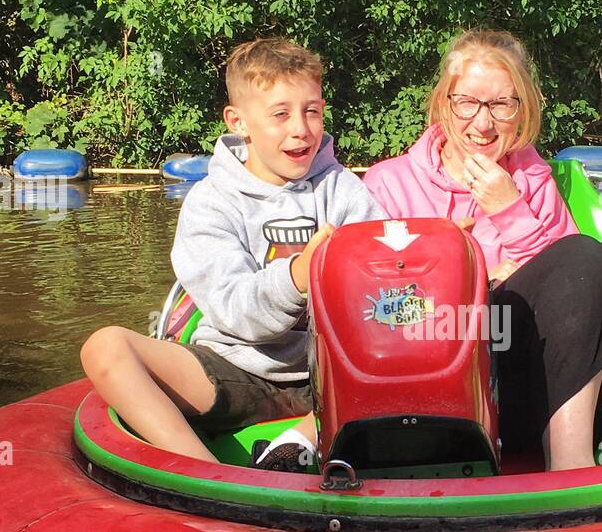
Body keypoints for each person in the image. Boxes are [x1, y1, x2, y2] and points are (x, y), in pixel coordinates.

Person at [364, 30, 602, 470]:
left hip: (560, 366)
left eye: (500, 105)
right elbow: (383, 316)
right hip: (466, 383)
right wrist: (473, 279)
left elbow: (578, 290)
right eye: (468, 102)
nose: (483, 123)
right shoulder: (388, 185)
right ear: (443, 103)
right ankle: (570, 467)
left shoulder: (531, 174)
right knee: (578, 256)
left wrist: (510, 209)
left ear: (522, 109)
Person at [80, 37, 383, 468]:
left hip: (329, 376)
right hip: (235, 369)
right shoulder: (211, 202)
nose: (301, 128)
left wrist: (432, 254)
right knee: (104, 347)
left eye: (312, 110)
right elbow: (234, 311)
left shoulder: (346, 191)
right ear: (238, 121)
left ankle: (302, 439)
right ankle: (207, 475)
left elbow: (384, 301)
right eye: (280, 114)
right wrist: (298, 276)